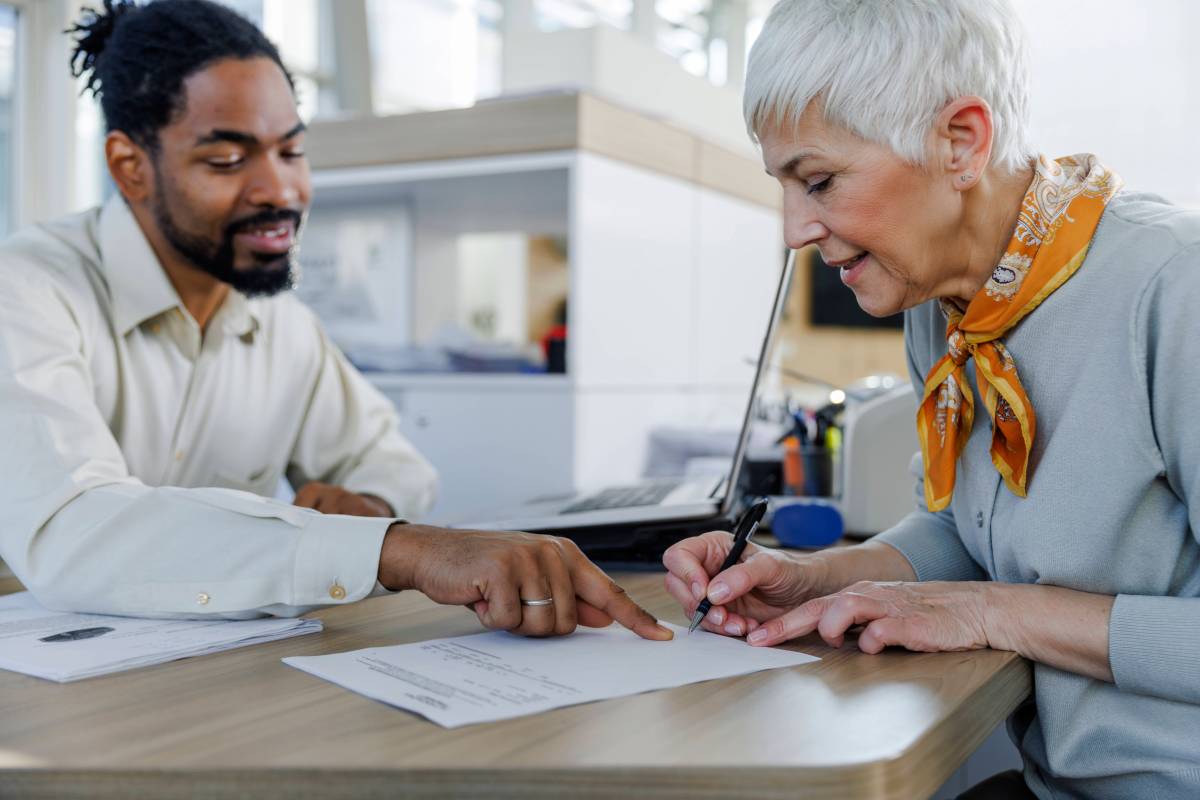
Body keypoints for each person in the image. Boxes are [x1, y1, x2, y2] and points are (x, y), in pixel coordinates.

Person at [0, 0, 671, 645]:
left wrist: (371, 506)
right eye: (228, 160)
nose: (281, 191)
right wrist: (394, 549)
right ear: (130, 167)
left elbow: (394, 464)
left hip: (203, 686)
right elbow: (72, 528)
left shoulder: (280, 326)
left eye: (291, 152)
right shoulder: (26, 292)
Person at [663, 1, 1200, 797]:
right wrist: (818, 578)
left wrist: (995, 612)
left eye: (818, 182)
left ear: (961, 142)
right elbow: (963, 523)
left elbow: (990, 591)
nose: (793, 230)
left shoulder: (1174, 288)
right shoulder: (939, 303)